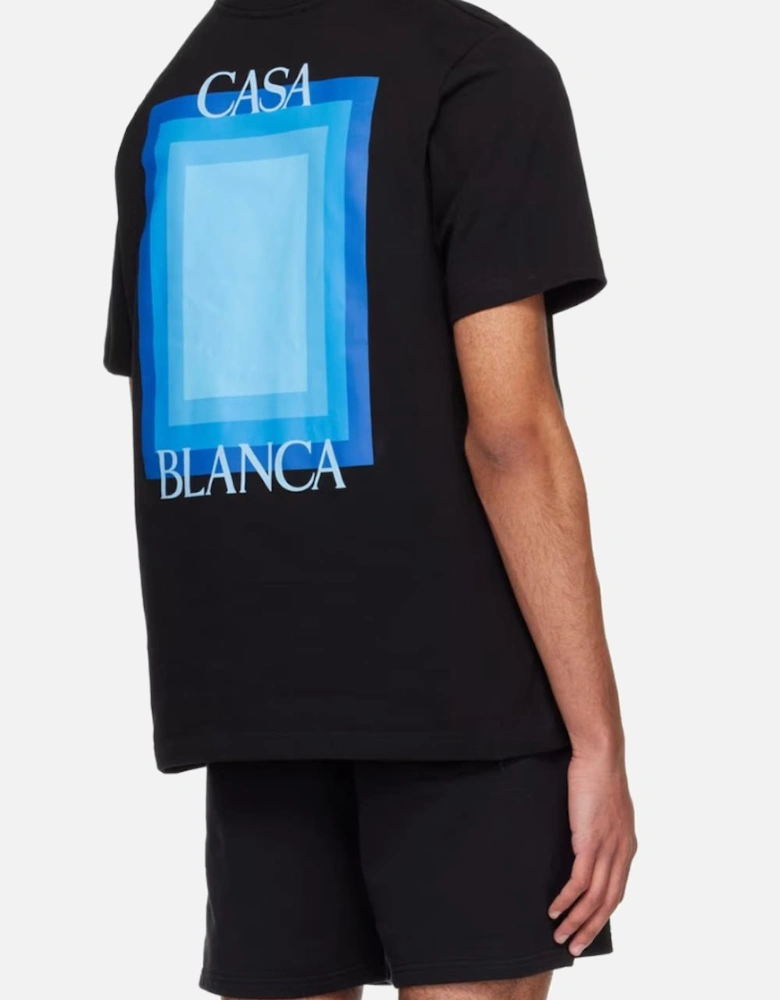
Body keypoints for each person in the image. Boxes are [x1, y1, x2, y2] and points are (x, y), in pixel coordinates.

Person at [104, 0, 636, 998]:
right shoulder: (480, 73)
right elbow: (510, 435)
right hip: (461, 700)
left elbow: (166, 394)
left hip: (253, 702)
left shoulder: (173, 98)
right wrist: (599, 739)